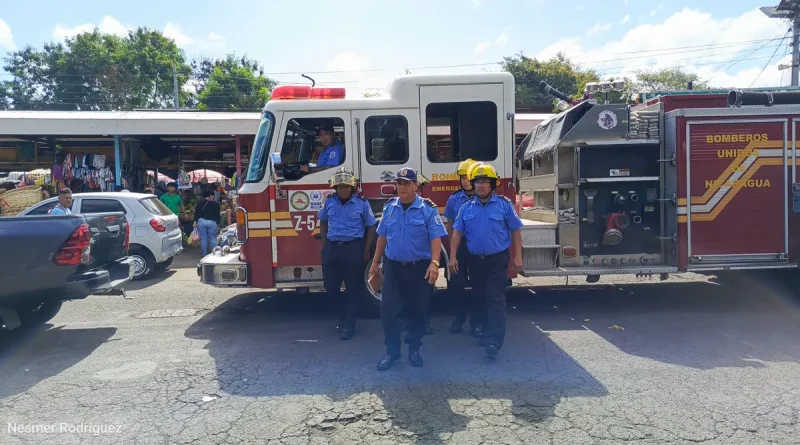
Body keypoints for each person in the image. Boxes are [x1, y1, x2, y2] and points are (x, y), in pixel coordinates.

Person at [370, 167, 446, 371]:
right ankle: (392, 352)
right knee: (387, 312)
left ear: (415, 186)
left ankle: (414, 349)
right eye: (399, 184)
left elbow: (435, 238)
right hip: (393, 268)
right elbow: (382, 237)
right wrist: (375, 262)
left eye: (406, 184)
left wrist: (434, 263)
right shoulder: (389, 208)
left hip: (419, 268)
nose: (401, 188)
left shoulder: (428, 209)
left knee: (418, 312)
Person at [450, 162, 523, 357]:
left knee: (495, 298)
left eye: (485, 181)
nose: (481, 185)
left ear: (493, 184)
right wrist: (453, 257)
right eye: (477, 182)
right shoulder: (466, 207)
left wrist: (518, 256)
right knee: (479, 296)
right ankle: (484, 330)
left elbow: (515, 231)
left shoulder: (504, 205)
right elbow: (456, 233)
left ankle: (494, 341)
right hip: (475, 261)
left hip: (497, 260)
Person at [318, 167, 377, 340]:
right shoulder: (329, 202)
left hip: (353, 249)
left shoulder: (362, 203)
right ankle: (342, 314)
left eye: (346, 186)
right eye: (340, 186)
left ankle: (348, 321)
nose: (343, 189)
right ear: (335, 188)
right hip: (332, 249)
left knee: (353, 287)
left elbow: (371, 226)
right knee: (330, 287)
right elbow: (323, 221)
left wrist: (366, 249)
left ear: (352, 187)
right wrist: (325, 244)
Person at [444, 158, 484, 337]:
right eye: (462, 178)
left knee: (478, 286)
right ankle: (459, 318)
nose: (465, 181)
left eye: (467, 177)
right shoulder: (453, 199)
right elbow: (450, 225)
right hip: (459, 247)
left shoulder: (483, 199)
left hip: (477, 248)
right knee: (455, 284)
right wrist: (451, 252)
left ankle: (477, 322)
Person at [194, 190, 221, 257]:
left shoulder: (199, 203)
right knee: (213, 238)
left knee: (203, 238)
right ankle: (215, 254)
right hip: (212, 222)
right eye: (213, 195)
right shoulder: (215, 204)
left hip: (201, 221)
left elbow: (196, 213)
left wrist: (195, 221)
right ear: (211, 196)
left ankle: (204, 254)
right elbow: (217, 215)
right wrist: (218, 223)